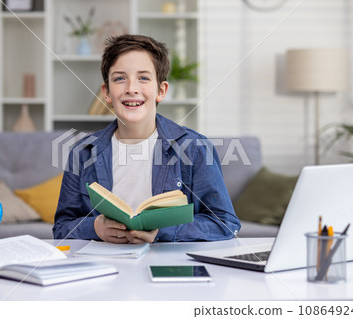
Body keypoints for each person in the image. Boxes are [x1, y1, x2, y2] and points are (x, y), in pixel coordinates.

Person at [53, 34, 240, 243]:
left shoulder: (195, 148)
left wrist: (163, 231)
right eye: (119, 78)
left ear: (161, 90)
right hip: (104, 266)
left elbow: (225, 223)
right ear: (106, 92)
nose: (131, 89)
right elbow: (61, 229)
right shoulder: (82, 152)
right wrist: (94, 227)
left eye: (143, 78)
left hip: (168, 266)